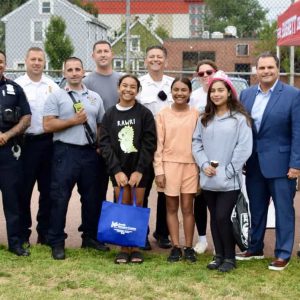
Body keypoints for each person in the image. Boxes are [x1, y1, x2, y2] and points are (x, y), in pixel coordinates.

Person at [236, 52, 300, 271]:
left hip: (283, 166)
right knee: (257, 208)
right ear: (256, 70)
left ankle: (282, 253)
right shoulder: (246, 94)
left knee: (284, 210)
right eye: (261, 68)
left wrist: (296, 164)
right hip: (253, 164)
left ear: (278, 69)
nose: (266, 72)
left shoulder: (292, 95)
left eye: (270, 68)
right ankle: (255, 248)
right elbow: (244, 130)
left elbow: (298, 132)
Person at [43, 57, 106, 260]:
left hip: (89, 153)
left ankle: (89, 237)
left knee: (91, 198)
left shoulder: (95, 97)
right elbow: (48, 125)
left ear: (83, 71)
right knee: (60, 198)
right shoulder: (57, 97)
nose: (74, 72)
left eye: (77, 69)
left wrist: (99, 146)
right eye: (69, 69)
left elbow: (100, 125)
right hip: (65, 152)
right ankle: (57, 241)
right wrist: (73, 121)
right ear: (64, 73)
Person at [192, 71, 252, 272]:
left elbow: (244, 147)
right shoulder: (204, 118)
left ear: (229, 92)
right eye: (213, 91)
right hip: (208, 178)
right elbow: (196, 143)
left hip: (229, 179)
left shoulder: (239, 119)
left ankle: (230, 257)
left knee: (222, 217)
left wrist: (228, 171)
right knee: (214, 217)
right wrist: (203, 165)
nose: (216, 94)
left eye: (220, 90)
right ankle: (218, 256)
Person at [99, 74, 156, 264]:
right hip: (119, 170)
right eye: (125, 85)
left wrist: (139, 170)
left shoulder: (144, 113)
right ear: (118, 88)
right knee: (122, 205)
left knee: (137, 206)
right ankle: (123, 247)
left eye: (133, 86)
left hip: (140, 170)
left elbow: (149, 143)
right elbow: (105, 144)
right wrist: (116, 170)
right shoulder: (110, 114)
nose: (128, 89)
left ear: (137, 90)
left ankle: (136, 246)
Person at [15, 47, 59, 246]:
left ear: (44, 62)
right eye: (32, 59)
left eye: (40, 59)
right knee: (23, 191)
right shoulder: (17, 85)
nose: (36, 63)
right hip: (25, 144)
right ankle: (23, 233)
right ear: (26, 61)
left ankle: (45, 233)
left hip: (47, 143)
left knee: (48, 191)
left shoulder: (52, 85)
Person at [154, 77, 199, 263]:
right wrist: (159, 170)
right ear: (171, 92)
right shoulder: (162, 114)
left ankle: (189, 247)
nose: (179, 93)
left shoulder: (197, 114)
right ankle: (175, 246)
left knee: (188, 208)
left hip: (190, 166)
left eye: (184, 90)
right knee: (171, 207)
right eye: (176, 89)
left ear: (189, 93)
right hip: (169, 165)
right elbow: (158, 144)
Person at [83, 41, 121, 250]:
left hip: (120, 148)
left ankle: (121, 231)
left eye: (106, 51)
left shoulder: (121, 80)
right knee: (95, 192)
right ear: (93, 55)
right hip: (97, 147)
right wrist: (97, 142)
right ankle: (93, 235)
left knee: (121, 191)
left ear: (112, 54)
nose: (103, 55)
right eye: (99, 51)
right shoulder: (87, 81)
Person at [137, 45, 173, 250]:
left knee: (165, 190)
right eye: (151, 56)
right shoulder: (139, 84)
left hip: (168, 146)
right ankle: (141, 233)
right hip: (145, 146)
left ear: (165, 61)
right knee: (142, 188)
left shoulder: (172, 84)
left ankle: (162, 233)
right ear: (145, 60)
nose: (155, 60)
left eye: (159, 57)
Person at [0, 50, 31, 256]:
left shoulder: (15, 88)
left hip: (8, 152)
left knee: (13, 199)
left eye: (1, 61)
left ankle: (15, 243)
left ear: (5, 64)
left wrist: (8, 135)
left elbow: (27, 117)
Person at [190, 59, 218, 254]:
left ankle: (223, 239)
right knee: (199, 200)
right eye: (201, 74)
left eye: (209, 72)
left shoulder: (224, 93)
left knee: (221, 201)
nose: (206, 76)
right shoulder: (194, 97)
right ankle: (202, 239)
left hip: (220, 153)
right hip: (199, 153)